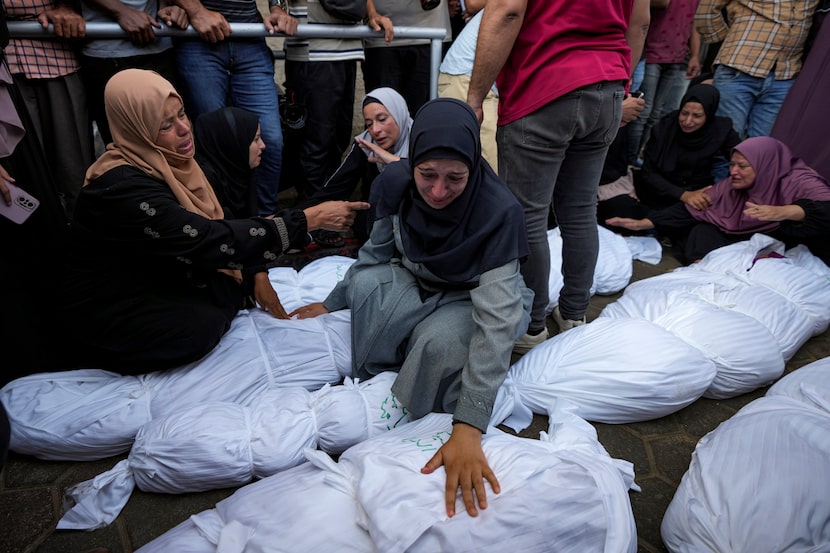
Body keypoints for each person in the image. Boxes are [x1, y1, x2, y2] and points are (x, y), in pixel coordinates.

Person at [290, 98, 532, 519]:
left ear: (474, 167)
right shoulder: (396, 183)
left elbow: (497, 320)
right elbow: (373, 256)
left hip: (475, 297)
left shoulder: (498, 213)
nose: (438, 192)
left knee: (439, 342)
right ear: (413, 160)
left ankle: (416, 400)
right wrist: (331, 302)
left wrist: (469, 426)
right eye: (427, 175)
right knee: (366, 284)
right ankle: (397, 367)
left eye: (455, 178)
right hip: (421, 279)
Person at [56, 69, 368, 373]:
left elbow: (227, 223)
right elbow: (205, 239)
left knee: (223, 289)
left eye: (182, 113)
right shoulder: (121, 187)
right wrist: (305, 220)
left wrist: (256, 272)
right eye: (166, 125)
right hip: (113, 304)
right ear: (136, 128)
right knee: (201, 323)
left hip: (155, 275)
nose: (183, 129)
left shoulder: (178, 167)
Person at [467, 0, 650, 353]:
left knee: (528, 215)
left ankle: (531, 325)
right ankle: (574, 313)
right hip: (606, 85)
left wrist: (475, 96)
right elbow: (639, 23)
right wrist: (621, 84)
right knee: (580, 209)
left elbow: (506, 10)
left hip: (544, 85)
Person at [606, 136, 830, 264]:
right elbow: (695, 206)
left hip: (789, 241)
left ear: (765, 165)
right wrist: (645, 223)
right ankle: (702, 267)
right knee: (701, 231)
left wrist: (786, 212)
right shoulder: (732, 185)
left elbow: (826, 209)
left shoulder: (798, 180)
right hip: (744, 238)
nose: (733, 171)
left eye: (742, 166)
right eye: (732, 165)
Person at [170, 0, 298, 215]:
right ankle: (221, 220)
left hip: (250, 37)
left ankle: (266, 223)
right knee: (213, 143)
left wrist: (278, 9)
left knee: (270, 141)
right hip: (198, 38)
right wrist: (196, 11)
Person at [4, 0, 95, 216]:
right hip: (5, 64)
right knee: (17, 177)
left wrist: (68, 5)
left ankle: (82, 236)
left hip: (54, 53)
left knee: (74, 171)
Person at [297, 87, 413, 246]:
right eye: (369, 123)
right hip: (378, 222)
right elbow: (334, 189)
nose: (375, 130)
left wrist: (396, 163)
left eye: (382, 119)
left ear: (399, 114)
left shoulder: (420, 139)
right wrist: (291, 223)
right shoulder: (366, 144)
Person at [695, 0, 819, 139]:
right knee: (725, 142)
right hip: (738, 68)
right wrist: (730, 41)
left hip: (784, 76)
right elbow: (706, 11)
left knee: (760, 150)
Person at [280, 0, 364, 200]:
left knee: (339, 138)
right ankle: (313, 217)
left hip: (348, 46)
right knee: (316, 143)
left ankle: (327, 210)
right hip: (313, 51)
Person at [80, 0, 188, 146]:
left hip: (159, 41)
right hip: (106, 50)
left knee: (176, 137)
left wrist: (165, 5)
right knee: (126, 146)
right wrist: (120, 11)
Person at [636, 83, 740, 210]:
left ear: (709, 113)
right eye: (684, 113)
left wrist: (720, 190)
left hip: (699, 193)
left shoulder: (721, 129)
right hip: (660, 192)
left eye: (697, 116)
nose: (688, 121)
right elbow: (648, 173)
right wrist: (684, 195)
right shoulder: (664, 128)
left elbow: (743, 159)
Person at [627, 0, 702, 165]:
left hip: (678, 56)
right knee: (642, 112)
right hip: (651, 52)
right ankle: (628, 160)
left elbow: (696, 22)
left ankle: (641, 157)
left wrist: (696, 55)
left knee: (656, 115)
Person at [363, 0, 452, 116]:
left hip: (431, 32)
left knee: (424, 118)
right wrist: (371, 13)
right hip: (381, 34)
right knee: (382, 116)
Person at [193, 106, 262, 218]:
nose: (263, 145)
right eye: (256, 139)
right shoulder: (206, 182)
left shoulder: (239, 168)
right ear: (233, 143)